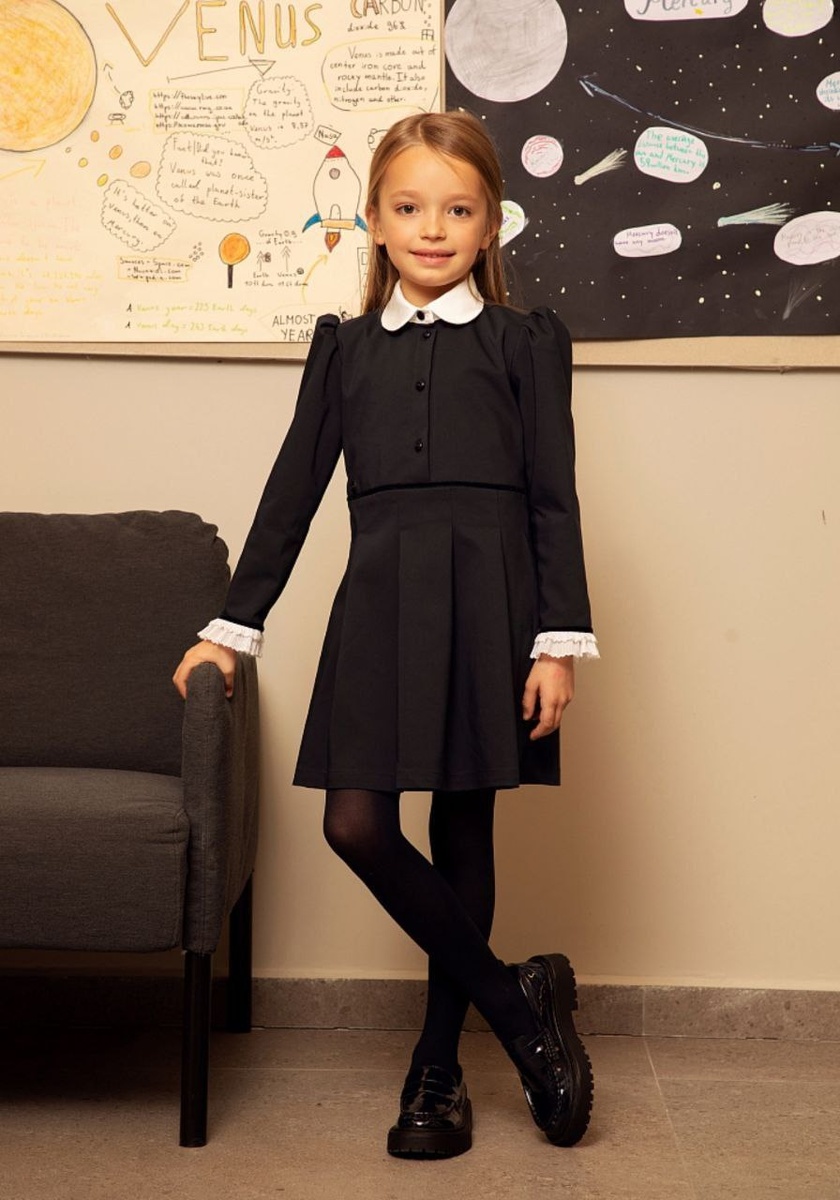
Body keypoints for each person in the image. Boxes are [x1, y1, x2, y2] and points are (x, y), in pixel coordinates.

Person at [173, 110, 599, 1160]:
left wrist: (558, 642)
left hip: (492, 600)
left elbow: (555, 499)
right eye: (409, 207)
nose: (432, 229)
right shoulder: (345, 349)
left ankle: (436, 1071)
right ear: (372, 218)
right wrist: (231, 628)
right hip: (378, 599)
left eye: (458, 210)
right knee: (356, 824)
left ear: (492, 223)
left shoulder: (525, 343)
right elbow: (291, 493)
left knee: (463, 828)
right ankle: (519, 1008)